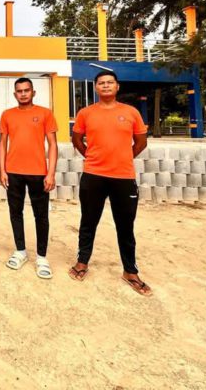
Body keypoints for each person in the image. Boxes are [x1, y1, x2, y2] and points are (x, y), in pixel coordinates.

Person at [69, 70, 152, 296]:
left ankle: (130, 271)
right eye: (101, 83)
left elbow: (141, 141)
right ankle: (82, 262)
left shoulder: (131, 112)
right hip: (93, 175)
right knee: (88, 221)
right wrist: (91, 157)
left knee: (125, 226)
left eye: (109, 83)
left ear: (117, 87)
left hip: (123, 177)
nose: (105, 86)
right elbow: (76, 138)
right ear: (96, 88)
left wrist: (124, 158)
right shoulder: (86, 113)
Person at [0, 77, 58, 279]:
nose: (23, 93)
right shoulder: (7, 115)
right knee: (16, 212)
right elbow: (2, 143)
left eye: (26, 90)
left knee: (41, 216)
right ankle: (20, 251)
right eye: (19, 91)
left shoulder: (45, 114)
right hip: (13, 172)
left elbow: (53, 144)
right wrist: (2, 169)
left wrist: (50, 172)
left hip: (39, 172)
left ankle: (42, 257)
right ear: (15, 94)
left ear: (33, 92)